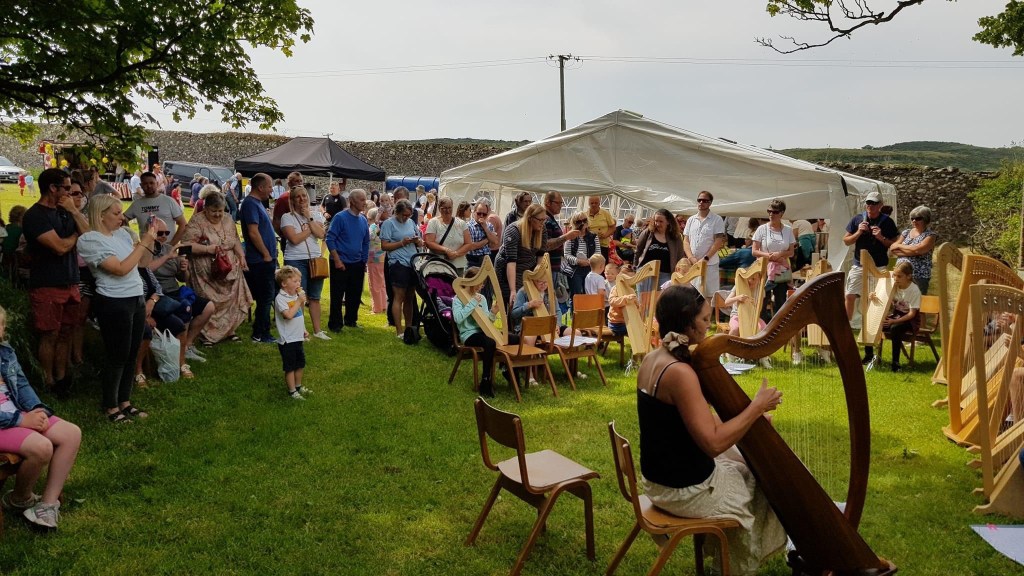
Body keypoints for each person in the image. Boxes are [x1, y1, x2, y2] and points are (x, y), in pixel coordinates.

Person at [637, 284, 786, 575]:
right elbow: (713, 443)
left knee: (745, 465)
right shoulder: (680, 373)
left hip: (657, 480)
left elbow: (688, 421)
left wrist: (749, 419)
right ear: (687, 322)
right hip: (682, 491)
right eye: (705, 319)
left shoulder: (652, 359)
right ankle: (730, 567)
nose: (709, 325)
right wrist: (756, 408)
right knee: (763, 480)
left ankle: (723, 556)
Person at [0, 305, 82, 531]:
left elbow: (22, 385)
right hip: (5, 423)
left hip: (17, 414)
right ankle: (20, 498)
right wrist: (21, 421)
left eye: (0, 325)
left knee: (71, 433)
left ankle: (47, 505)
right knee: (41, 447)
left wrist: (37, 410)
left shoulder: (5, 352)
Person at [76, 194, 155, 423]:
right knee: (117, 354)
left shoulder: (122, 234)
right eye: (116, 213)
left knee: (131, 352)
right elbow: (120, 269)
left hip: (135, 297)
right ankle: (110, 405)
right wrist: (143, 243)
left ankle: (125, 401)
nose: (122, 217)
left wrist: (149, 239)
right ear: (101, 215)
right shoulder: (90, 240)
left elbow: (141, 264)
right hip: (113, 301)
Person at [22, 168, 89, 391]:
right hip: (47, 283)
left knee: (67, 331)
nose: (70, 193)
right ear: (52, 188)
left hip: (71, 281)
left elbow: (90, 235)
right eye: (66, 188)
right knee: (49, 334)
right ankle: (47, 381)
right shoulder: (35, 216)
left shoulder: (66, 211)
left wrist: (75, 212)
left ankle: (62, 378)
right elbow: (59, 247)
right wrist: (75, 236)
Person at [182, 192, 252, 345]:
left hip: (229, 268)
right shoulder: (197, 221)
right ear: (206, 209)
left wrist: (241, 256)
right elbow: (185, 246)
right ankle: (207, 334)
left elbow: (234, 239)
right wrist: (208, 249)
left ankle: (229, 330)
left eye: (220, 210)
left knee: (231, 300)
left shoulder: (228, 219)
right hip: (206, 273)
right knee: (209, 301)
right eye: (214, 211)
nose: (218, 214)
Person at [147, 218, 216, 366]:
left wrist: (184, 270)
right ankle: (180, 351)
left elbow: (183, 278)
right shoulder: (145, 251)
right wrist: (166, 258)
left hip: (175, 290)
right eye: (160, 233)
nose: (164, 236)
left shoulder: (169, 248)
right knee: (185, 307)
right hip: (158, 295)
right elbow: (146, 270)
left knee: (209, 307)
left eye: (167, 233)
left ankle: (188, 344)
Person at [843, 191, 899, 363]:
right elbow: (846, 240)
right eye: (868, 203)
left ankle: (870, 346)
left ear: (880, 205)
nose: (870, 206)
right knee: (849, 296)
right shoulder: (857, 219)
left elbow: (895, 245)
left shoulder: (887, 222)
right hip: (859, 265)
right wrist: (859, 232)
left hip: (878, 267)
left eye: (874, 203)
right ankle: (845, 330)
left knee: (873, 303)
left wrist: (881, 237)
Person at [451, 267, 517, 398]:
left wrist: (493, 313)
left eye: (482, 283)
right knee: (490, 343)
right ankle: (485, 380)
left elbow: (487, 322)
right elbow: (458, 318)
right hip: (468, 335)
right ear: (469, 281)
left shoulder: (481, 298)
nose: (480, 286)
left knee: (515, 338)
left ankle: (509, 370)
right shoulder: (458, 298)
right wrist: (472, 303)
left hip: (483, 332)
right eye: (478, 283)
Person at [280, 186, 329, 339]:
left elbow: (321, 234)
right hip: (295, 259)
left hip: (315, 260)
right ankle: (300, 331)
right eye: (298, 196)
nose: (302, 199)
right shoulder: (287, 217)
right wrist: (311, 229)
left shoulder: (315, 215)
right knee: (298, 296)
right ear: (292, 200)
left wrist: (309, 218)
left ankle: (317, 330)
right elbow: (294, 239)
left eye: (304, 195)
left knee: (315, 297)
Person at [240, 173, 279, 344]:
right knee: (265, 296)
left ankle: (263, 331)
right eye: (269, 186)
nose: (271, 190)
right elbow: (253, 232)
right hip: (260, 260)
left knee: (267, 295)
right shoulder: (250, 204)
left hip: (266, 259)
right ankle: (260, 333)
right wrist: (265, 253)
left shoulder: (258, 203)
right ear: (260, 187)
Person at [326, 189, 369, 333]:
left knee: (355, 293)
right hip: (341, 262)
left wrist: (363, 261)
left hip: (357, 262)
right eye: (362, 200)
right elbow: (330, 239)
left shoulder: (363, 220)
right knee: (337, 294)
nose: (365, 202)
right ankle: (335, 324)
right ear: (352, 201)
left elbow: (366, 242)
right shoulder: (340, 218)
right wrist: (337, 260)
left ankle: (351, 320)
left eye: (365, 199)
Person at [380, 199, 423, 341]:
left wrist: (417, 241)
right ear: (397, 212)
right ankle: (399, 330)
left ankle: (409, 328)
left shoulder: (411, 223)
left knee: (410, 297)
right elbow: (384, 246)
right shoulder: (388, 224)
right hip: (398, 263)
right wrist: (402, 243)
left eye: (409, 215)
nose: (406, 217)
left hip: (412, 263)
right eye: (404, 215)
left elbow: (420, 241)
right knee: (399, 296)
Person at [495, 204, 549, 311]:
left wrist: (537, 276)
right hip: (507, 269)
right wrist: (513, 290)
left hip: (527, 268)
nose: (543, 223)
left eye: (544, 219)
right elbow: (511, 262)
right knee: (512, 301)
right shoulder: (513, 230)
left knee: (526, 301)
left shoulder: (542, 230)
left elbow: (540, 257)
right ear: (530, 218)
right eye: (540, 220)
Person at [751, 200, 796, 322]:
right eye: (769, 211)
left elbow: (791, 252)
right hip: (763, 269)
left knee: (781, 301)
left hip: (781, 270)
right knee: (762, 300)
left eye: (775, 212)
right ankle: (761, 326)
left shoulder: (788, 230)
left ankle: (778, 327)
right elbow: (754, 251)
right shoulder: (761, 229)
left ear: (781, 213)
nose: (771, 214)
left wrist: (780, 254)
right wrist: (768, 255)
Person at [274, 266, 310, 400]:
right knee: (290, 367)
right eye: (295, 281)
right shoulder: (280, 299)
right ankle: (292, 391)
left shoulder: (295, 296)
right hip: (287, 339)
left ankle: (298, 386)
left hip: (297, 337)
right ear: (284, 284)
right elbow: (288, 315)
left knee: (300, 364)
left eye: (299, 281)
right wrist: (299, 301)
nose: (298, 284)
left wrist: (303, 329)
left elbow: (299, 315)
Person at [124, 171, 188, 246]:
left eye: (152, 183)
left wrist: (171, 245)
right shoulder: (137, 204)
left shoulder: (169, 201)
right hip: (146, 249)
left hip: (167, 247)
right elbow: (122, 219)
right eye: (145, 184)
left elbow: (183, 224)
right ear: (141, 185)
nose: (149, 186)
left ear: (157, 184)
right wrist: (132, 238)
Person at [683, 191, 727, 295]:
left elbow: (718, 241)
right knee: (692, 295)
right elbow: (686, 241)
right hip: (693, 264)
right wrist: (691, 258)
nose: (701, 202)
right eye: (699, 200)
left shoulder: (717, 219)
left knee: (709, 295)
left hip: (709, 264)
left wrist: (705, 259)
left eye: (704, 200)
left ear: (710, 203)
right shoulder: (691, 220)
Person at [881, 261, 921, 373]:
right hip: (896, 316)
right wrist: (873, 297)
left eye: (899, 276)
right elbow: (885, 302)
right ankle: (869, 356)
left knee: (895, 329)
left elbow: (912, 314)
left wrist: (894, 321)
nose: (896, 278)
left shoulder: (914, 290)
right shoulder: (894, 286)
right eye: (894, 275)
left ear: (908, 276)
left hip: (910, 321)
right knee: (876, 324)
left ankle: (895, 363)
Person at [889, 205, 937, 295]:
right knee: (900, 301)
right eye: (912, 218)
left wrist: (900, 246)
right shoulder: (906, 232)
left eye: (918, 218)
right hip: (900, 274)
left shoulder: (930, 235)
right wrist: (913, 251)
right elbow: (893, 248)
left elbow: (918, 250)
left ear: (926, 219)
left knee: (917, 301)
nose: (914, 220)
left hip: (919, 275)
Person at [633, 208, 684, 288]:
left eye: (661, 221)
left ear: (668, 222)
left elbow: (680, 256)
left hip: (665, 274)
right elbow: (638, 250)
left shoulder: (676, 237)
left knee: (662, 295)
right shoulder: (648, 233)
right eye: (656, 221)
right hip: (645, 272)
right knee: (644, 296)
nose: (657, 224)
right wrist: (635, 266)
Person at [424, 196, 471, 275]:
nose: (447, 210)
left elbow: (468, 243)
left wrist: (456, 253)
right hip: (438, 265)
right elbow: (429, 243)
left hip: (457, 266)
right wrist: (446, 250)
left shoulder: (461, 223)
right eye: (444, 208)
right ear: (439, 209)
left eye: (449, 208)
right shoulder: (433, 222)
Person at [561, 211, 599, 301]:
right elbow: (567, 255)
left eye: (584, 220)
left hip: (589, 269)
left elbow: (598, 253)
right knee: (576, 296)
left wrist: (589, 262)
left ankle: (587, 310)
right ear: (574, 223)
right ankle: (575, 310)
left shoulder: (593, 236)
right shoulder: (570, 236)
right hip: (575, 270)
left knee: (589, 294)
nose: (582, 223)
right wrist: (578, 261)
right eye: (578, 222)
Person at [465, 198, 499, 270]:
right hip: (472, 260)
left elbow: (495, 242)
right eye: (479, 213)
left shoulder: (489, 226)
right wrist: (487, 240)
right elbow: (471, 246)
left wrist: (485, 228)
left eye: (484, 214)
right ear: (474, 212)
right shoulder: (468, 226)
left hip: (486, 259)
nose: (481, 216)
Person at [366, 208, 387, 314]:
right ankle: (383, 305)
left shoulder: (373, 227)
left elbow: (369, 237)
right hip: (383, 257)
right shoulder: (383, 226)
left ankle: (377, 308)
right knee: (382, 283)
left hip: (373, 258)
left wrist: (373, 224)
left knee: (374, 284)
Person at [585, 195, 616, 260]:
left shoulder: (605, 213)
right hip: (590, 244)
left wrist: (606, 235)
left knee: (602, 263)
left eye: (596, 203)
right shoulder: (585, 214)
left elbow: (613, 227)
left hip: (602, 244)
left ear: (599, 203)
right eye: (592, 203)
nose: (594, 205)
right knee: (590, 262)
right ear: (588, 203)